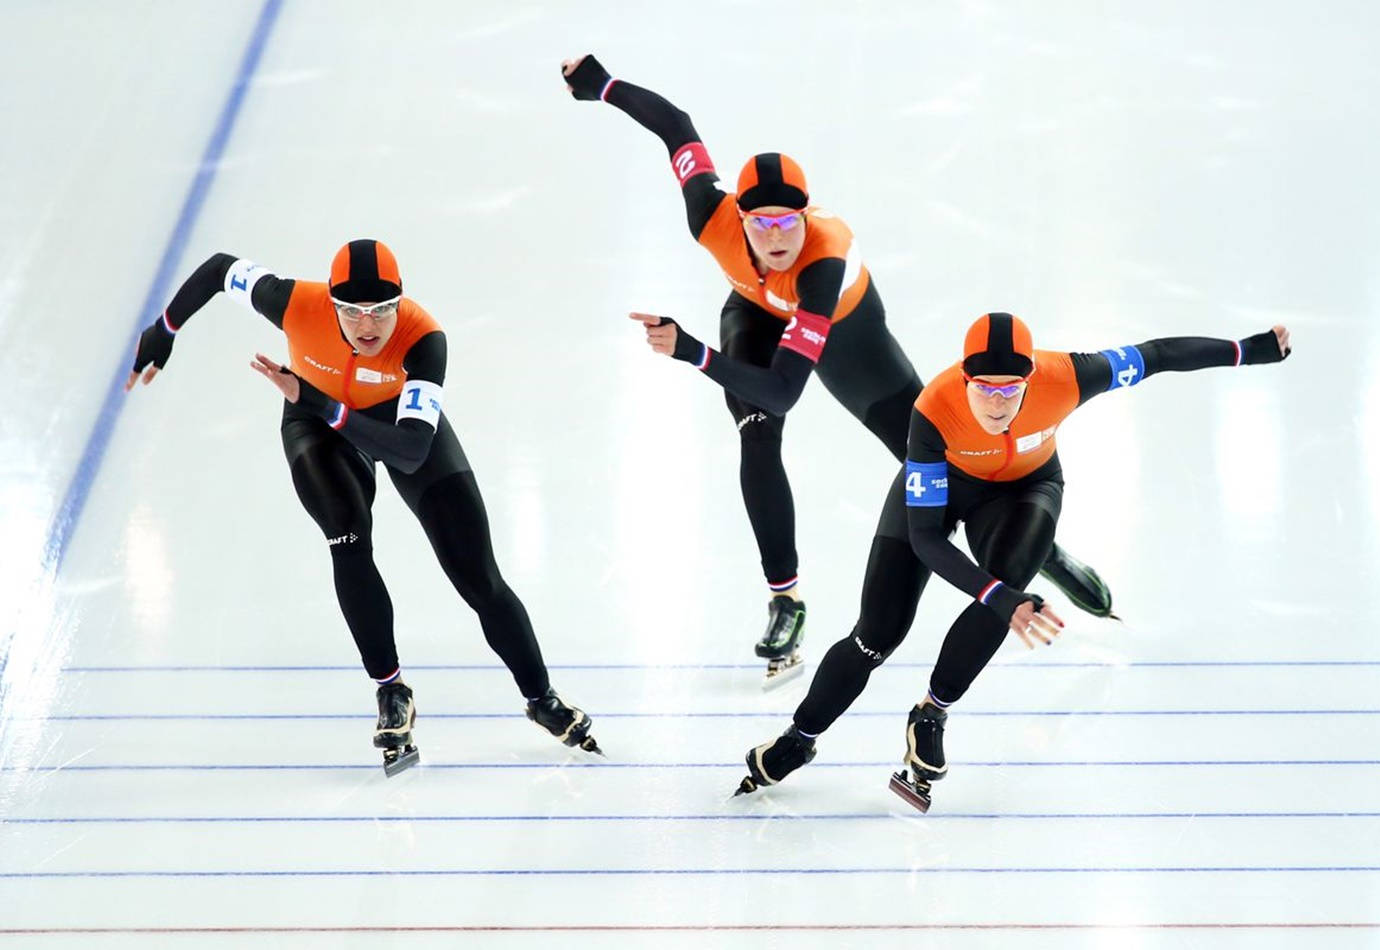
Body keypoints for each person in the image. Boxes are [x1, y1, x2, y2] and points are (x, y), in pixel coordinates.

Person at [560, 54, 1112, 683]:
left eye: (788, 220)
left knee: (928, 450)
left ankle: (1036, 548)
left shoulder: (824, 262)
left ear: (806, 214)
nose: (775, 235)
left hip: (846, 328)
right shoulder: (708, 213)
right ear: (737, 216)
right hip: (755, 309)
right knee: (756, 436)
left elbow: (786, 389)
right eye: (761, 222)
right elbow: (676, 125)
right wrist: (604, 86)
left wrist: (693, 353)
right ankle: (785, 599)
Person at [732, 312, 1292, 809]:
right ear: (965, 377)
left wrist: (1248, 349)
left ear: (1031, 378)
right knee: (876, 635)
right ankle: (797, 739)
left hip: (1026, 491)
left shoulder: (1070, 374)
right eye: (985, 389)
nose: (997, 402)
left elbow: (1160, 355)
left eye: (1011, 390)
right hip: (943, 486)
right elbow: (928, 541)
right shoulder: (933, 409)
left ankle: (930, 714)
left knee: (1003, 589)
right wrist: (1000, 598)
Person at [127, 239, 600, 775]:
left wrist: (320, 403)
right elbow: (218, 269)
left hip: (381, 423)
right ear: (331, 304)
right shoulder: (293, 301)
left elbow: (411, 449)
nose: (367, 326)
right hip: (315, 424)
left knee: (477, 574)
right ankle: (391, 690)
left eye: (380, 311)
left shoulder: (424, 339)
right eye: (352, 311)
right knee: (347, 537)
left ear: (400, 304)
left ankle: (541, 697)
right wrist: (164, 328)